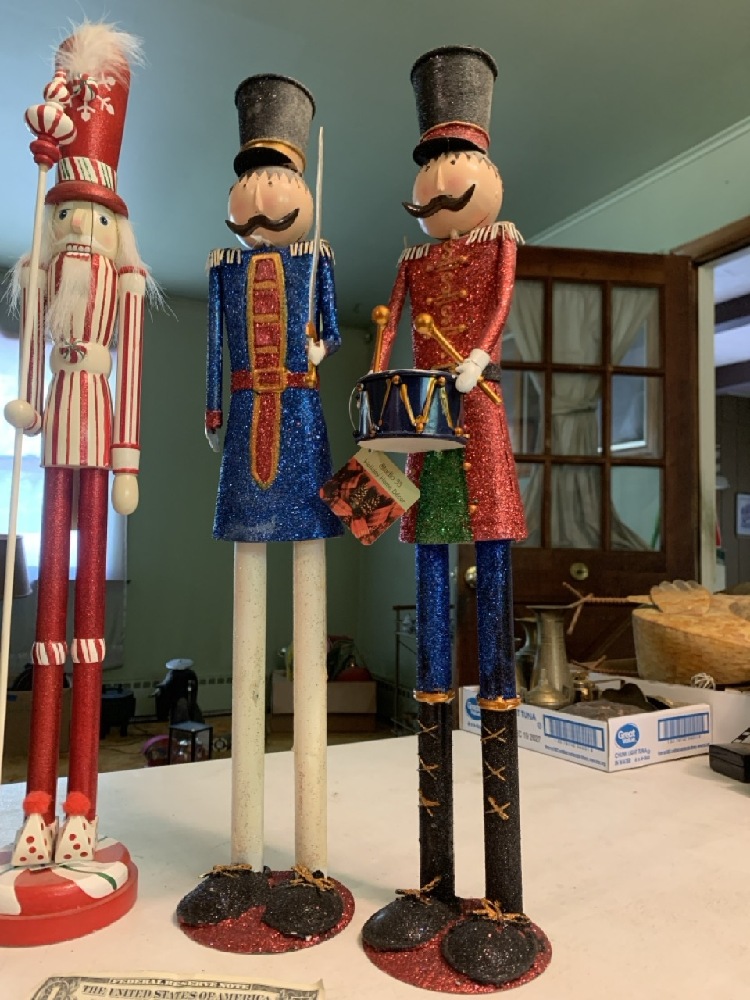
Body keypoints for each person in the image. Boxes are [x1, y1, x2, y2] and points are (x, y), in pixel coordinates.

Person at [361, 46, 549, 989]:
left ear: (484, 163)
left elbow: (499, 302)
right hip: (424, 427)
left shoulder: (499, 239)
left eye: (456, 157)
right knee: (432, 612)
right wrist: (374, 369)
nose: (441, 178)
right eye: (430, 161)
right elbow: (389, 322)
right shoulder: (411, 259)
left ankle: (503, 895)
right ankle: (434, 882)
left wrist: (479, 354)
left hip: (476, 417)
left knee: (492, 598)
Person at [176, 74, 349, 948]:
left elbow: (331, 331)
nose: (264, 194)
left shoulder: (318, 259)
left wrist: (320, 341)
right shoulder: (223, 269)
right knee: (249, 628)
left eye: (277, 174)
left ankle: (311, 859)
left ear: (300, 181)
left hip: (304, 423)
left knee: (308, 622)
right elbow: (216, 345)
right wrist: (214, 406)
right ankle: (243, 854)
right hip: (249, 422)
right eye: (252, 177)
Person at [1, 21, 153, 935]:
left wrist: (128, 458)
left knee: (87, 624)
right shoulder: (42, 272)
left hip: (97, 441)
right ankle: (35, 802)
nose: (78, 229)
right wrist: (24, 402)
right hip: (56, 432)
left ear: (115, 223)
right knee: (46, 625)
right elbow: (29, 359)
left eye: (92, 216)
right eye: (66, 214)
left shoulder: (123, 287)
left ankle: (82, 801)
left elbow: (129, 374)